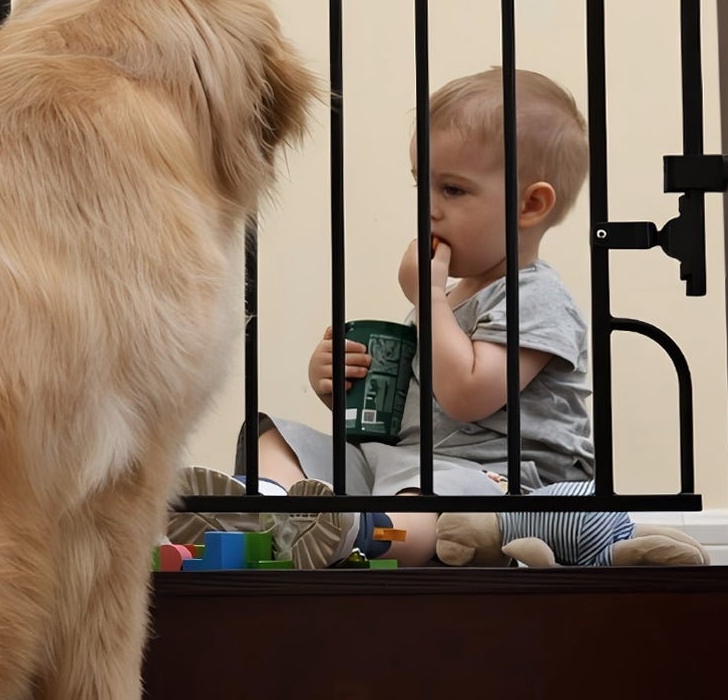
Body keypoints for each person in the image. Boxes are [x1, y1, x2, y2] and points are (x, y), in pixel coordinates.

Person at [167, 68, 593, 568]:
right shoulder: (444, 298)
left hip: (500, 480)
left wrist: (429, 301)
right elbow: (409, 413)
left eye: (453, 190)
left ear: (531, 205)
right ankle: (267, 505)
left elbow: (467, 396)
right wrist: (340, 387)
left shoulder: (535, 296)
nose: (427, 208)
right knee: (277, 434)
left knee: (429, 500)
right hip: (405, 462)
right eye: (421, 185)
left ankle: (360, 532)